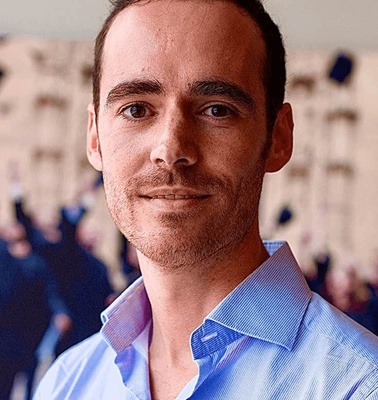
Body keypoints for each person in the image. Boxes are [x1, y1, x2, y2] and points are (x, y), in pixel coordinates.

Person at [34, 0, 378, 399]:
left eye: (217, 110)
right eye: (136, 109)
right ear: (95, 139)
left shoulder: (358, 385)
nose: (171, 148)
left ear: (278, 138)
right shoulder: (66, 383)